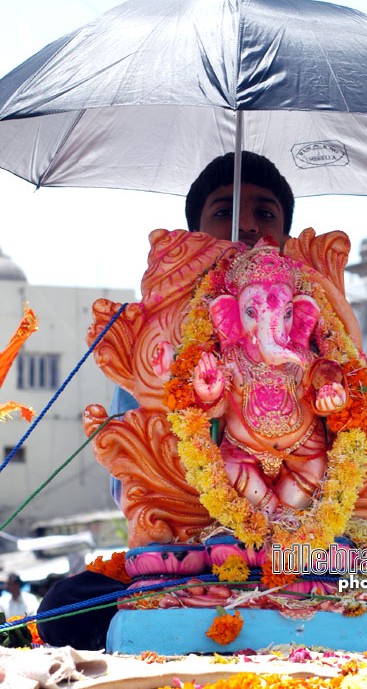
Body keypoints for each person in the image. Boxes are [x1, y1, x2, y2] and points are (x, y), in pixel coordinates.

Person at [38, 151, 295, 649]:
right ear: (194, 232)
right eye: (224, 211)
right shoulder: (154, 333)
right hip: (183, 546)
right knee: (65, 609)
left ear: (285, 235)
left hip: (303, 541)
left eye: (265, 213)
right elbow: (129, 477)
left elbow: (352, 448)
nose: (245, 225)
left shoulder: (315, 325)